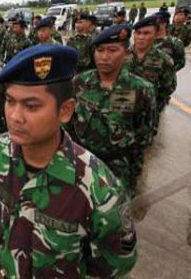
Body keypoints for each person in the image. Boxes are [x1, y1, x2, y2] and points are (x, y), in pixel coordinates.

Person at [0, 44, 137, 278]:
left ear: (65, 111)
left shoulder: (99, 190)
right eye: (10, 101)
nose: (15, 116)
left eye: (31, 106)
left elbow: (115, 266)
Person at [67, 25, 156, 194]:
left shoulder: (141, 89)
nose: (105, 57)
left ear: (126, 52)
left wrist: (133, 175)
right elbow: (67, 124)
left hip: (116, 170)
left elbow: (143, 136)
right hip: (81, 163)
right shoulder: (79, 82)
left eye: (113, 50)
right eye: (100, 50)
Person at [127, 16, 176, 133]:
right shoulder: (123, 55)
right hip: (122, 107)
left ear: (155, 35)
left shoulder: (164, 60)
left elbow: (168, 87)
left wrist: (152, 103)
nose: (141, 37)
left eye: (146, 33)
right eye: (138, 33)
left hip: (147, 112)